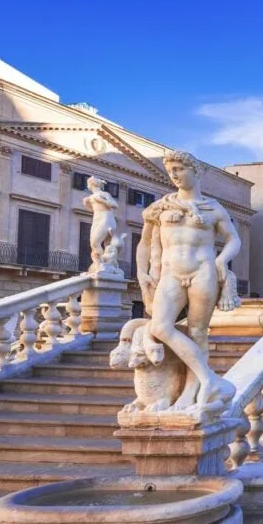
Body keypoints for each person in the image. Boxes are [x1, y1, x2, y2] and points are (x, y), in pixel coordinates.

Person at [136, 151, 241, 414]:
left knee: (197, 332)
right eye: (171, 170)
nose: (174, 174)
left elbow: (234, 240)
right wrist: (141, 271)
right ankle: (208, 379)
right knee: (160, 327)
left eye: (180, 168)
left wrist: (221, 261)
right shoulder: (160, 208)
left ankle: (190, 394)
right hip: (171, 272)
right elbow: (145, 243)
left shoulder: (213, 208)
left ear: (196, 172)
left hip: (203, 270)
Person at [82, 176, 118, 270]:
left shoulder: (104, 194)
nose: (88, 185)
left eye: (89, 183)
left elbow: (115, 205)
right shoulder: (90, 198)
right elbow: (93, 209)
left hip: (106, 218)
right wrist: (87, 203)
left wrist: (102, 200)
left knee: (96, 242)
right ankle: (99, 264)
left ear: (91, 184)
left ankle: (102, 264)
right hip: (96, 219)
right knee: (93, 244)